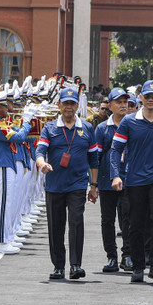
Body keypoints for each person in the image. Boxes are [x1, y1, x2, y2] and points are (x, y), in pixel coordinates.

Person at [110, 80, 153, 283]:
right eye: (147, 96)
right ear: (140, 98)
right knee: (135, 223)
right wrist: (116, 175)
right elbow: (115, 150)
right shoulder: (129, 121)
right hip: (135, 179)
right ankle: (138, 267)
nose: (150, 100)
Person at [36, 88, 99, 280]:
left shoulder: (87, 128)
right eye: (66, 104)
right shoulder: (50, 128)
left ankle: (75, 265)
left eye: (73, 104)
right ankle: (58, 266)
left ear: (77, 106)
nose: (69, 107)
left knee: (76, 222)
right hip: (54, 185)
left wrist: (94, 185)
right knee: (56, 226)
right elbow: (39, 152)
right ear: (59, 106)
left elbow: (94, 158)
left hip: (78, 184)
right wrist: (42, 164)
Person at [0, 91, 35, 254]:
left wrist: (27, 123)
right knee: (5, 205)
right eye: (6, 106)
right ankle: (0, 242)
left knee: (10, 203)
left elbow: (21, 133)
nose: (9, 108)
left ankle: (8, 236)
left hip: (8, 166)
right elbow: (19, 137)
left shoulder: (1, 122)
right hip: (3, 166)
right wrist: (27, 120)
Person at [95, 87, 132, 273]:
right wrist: (94, 184)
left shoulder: (134, 125)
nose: (123, 105)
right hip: (107, 179)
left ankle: (128, 255)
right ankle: (111, 256)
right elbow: (97, 157)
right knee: (107, 219)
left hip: (129, 178)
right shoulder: (102, 128)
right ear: (110, 106)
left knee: (128, 218)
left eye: (125, 102)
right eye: (119, 102)